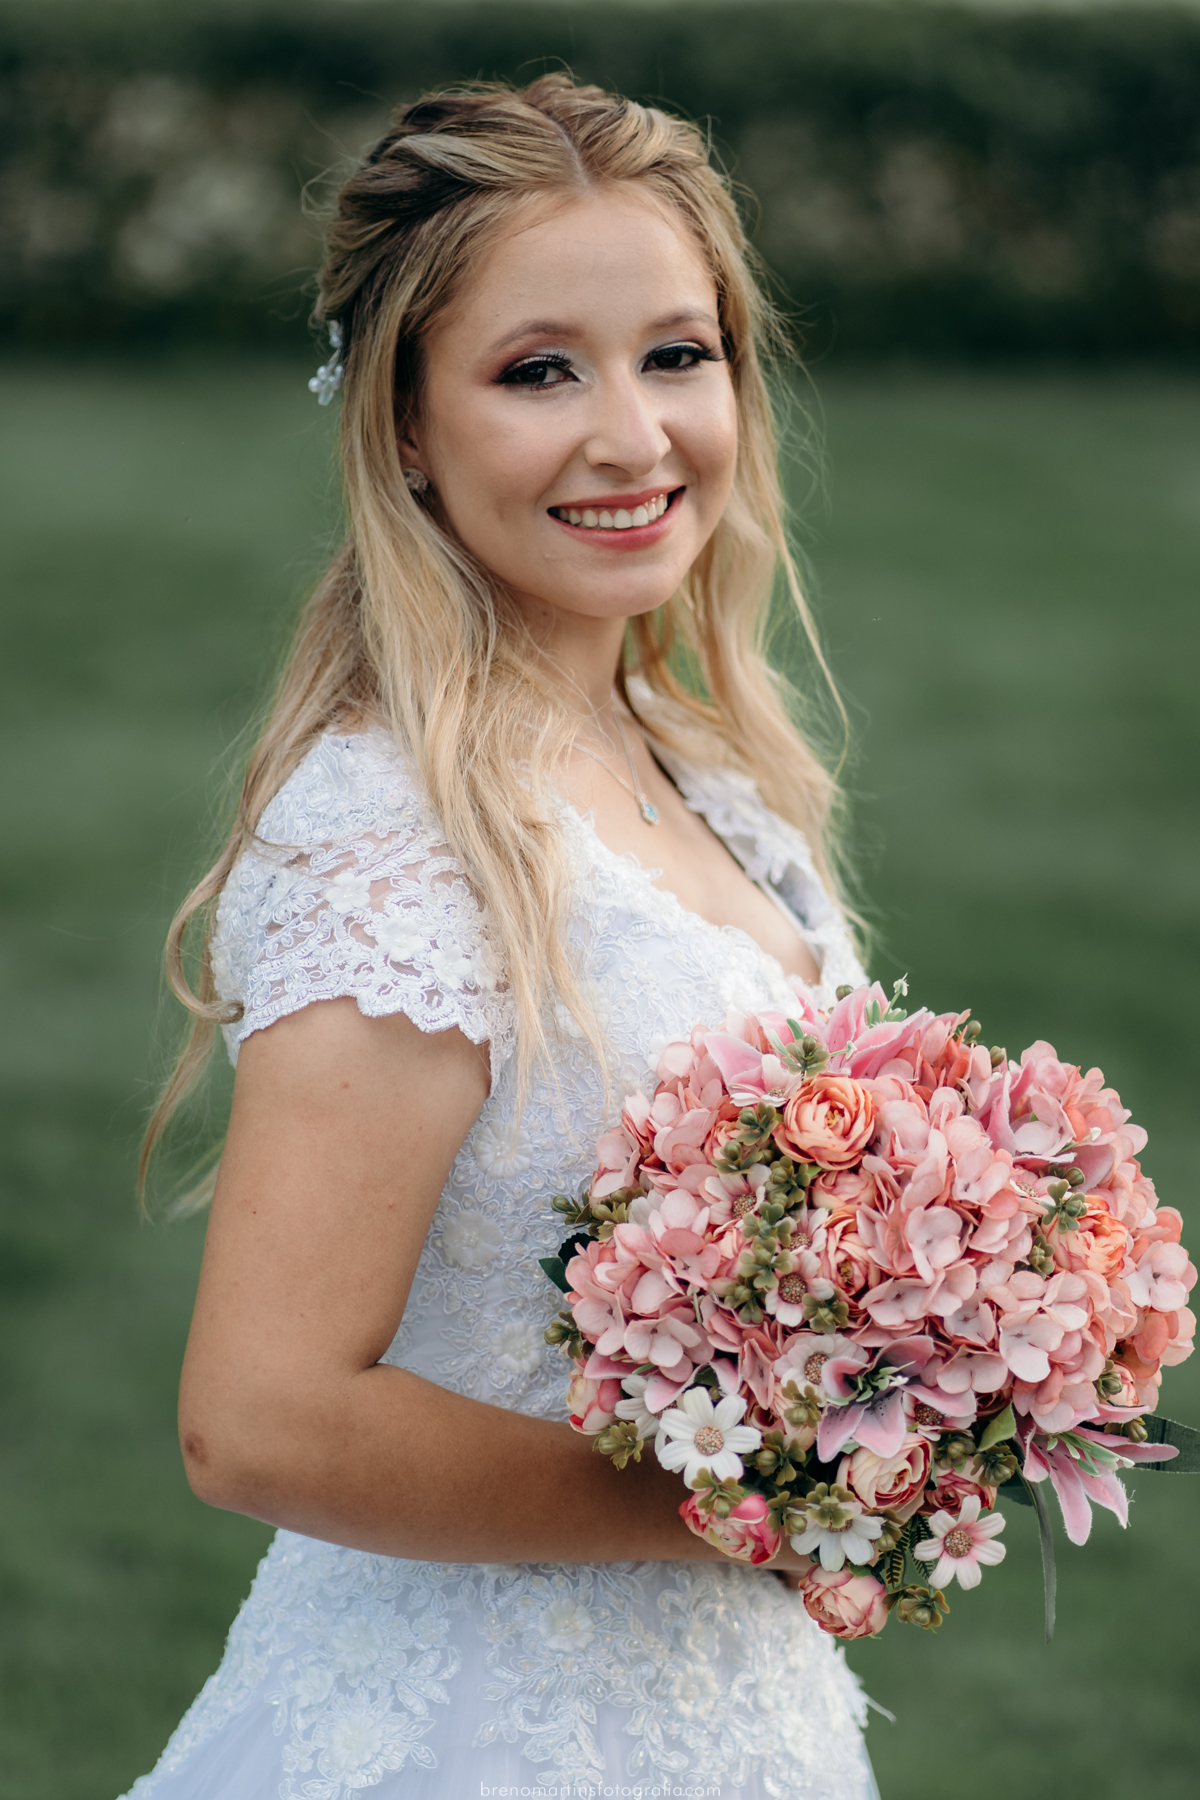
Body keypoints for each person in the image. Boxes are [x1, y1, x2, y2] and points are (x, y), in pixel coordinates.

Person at [123, 75, 880, 1800]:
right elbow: (258, 1417)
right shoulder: (393, 828)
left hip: (740, 1720)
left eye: (677, 355)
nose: (634, 436)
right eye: (541, 370)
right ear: (405, 423)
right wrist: (756, 1497)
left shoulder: (718, 779)